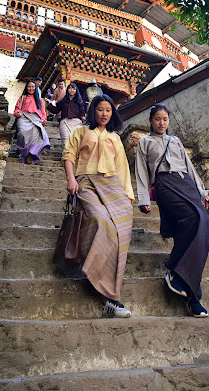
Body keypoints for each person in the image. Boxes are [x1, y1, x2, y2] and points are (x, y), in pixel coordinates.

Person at [134, 103, 209, 318]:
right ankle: (179, 275)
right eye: (158, 119)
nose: (162, 123)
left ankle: (189, 293)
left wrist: (203, 191)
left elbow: (190, 168)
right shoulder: (144, 142)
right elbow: (141, 170)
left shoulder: (175, 140)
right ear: (150, 120)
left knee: (201, 223)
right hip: (165, 184)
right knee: (193, 218)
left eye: (165, 119)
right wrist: (143, 199)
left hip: (185, 182)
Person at [63, 94, 134, 318]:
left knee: (120, 232)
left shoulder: (115, 138)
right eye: (100, 109)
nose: (104, 114)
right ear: (93, 110)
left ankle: (112, 299)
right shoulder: (80, 132)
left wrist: (127, 197)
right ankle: (95, 272)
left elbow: (122, 168)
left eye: (108, 110)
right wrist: (71, 179)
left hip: (112, 185)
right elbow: (69, 155)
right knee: (101, 221)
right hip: (86, 182)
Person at [14, 79, 50, 164]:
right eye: (29, 87)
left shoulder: (40, 100)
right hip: (23, 117)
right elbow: (16, 109)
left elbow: (43, 112)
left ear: (36, 87)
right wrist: (17, 113)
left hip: (36, 118)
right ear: (26, 88)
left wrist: (43, 119)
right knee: (22, 133)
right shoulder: (22, 98)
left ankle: (31, 154)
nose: (31, 88)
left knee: (37, 133)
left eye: (33, 87)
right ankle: (23, 152)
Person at [47, 83, 86, 148]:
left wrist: (84, 120)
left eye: (73, 88)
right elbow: (56, 110)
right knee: (65, 140)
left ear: (76, 90)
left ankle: (74, 157)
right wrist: (49, 104)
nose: (71, 90)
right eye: (70, 88)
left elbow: (82, 112)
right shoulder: (63, 101)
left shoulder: (79, 101)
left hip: (76, 122)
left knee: (76, 142)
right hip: (64, 122)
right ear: (67, 89)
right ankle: (66, 157)